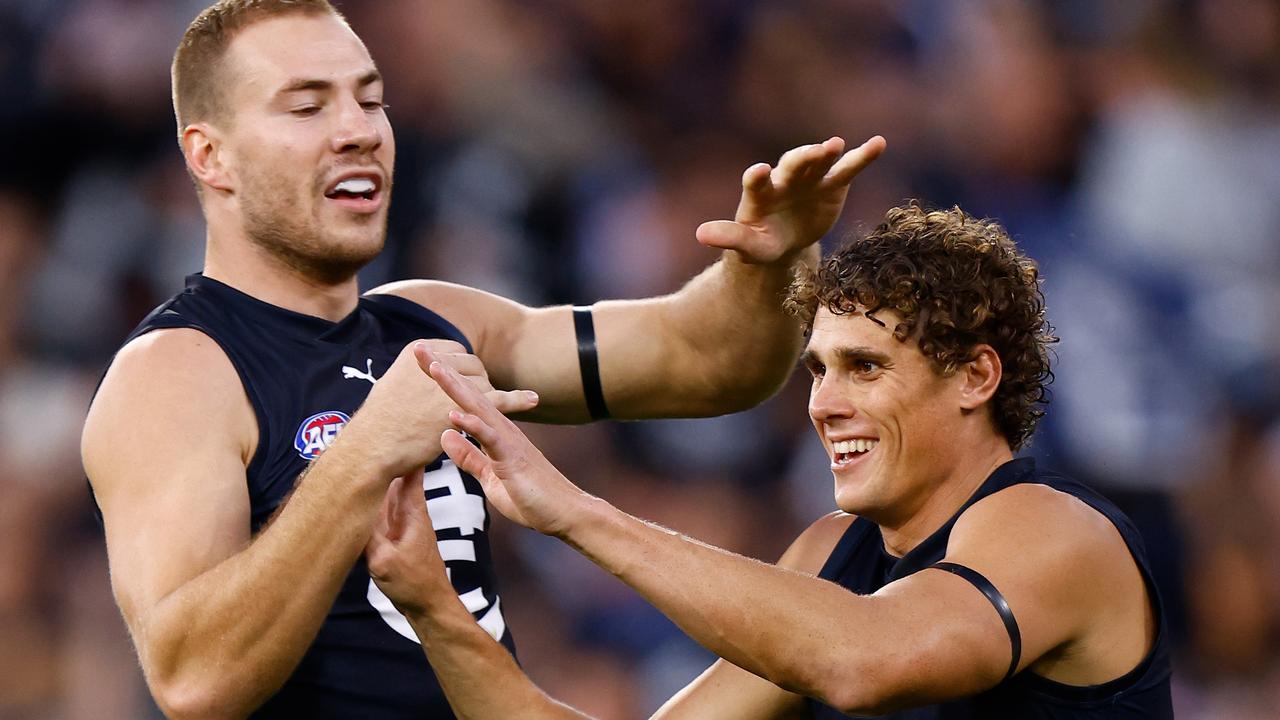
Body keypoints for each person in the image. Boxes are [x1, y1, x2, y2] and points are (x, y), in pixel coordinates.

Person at [78, 1, 886, 718]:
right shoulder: (176, 372)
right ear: (209, 155)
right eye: (306, 105)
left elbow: (714, 364)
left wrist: (773, 261)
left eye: (369, 98)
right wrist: (364, 452)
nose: (358, 129)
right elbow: (193, 682)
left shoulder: (437, 322)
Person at [366, 202, 1175, 718]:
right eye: (818, 369)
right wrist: (438, 611)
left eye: (865, 366)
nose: (823, 403)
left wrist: (574, 513)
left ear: (975, 376)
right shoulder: (829, 558)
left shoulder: (1057, 531)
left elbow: (869, 661)